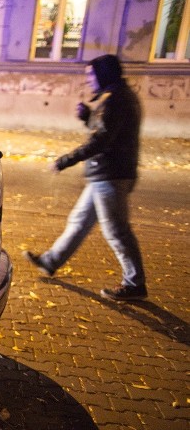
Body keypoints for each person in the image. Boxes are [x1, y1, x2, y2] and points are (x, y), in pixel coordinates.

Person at [24, 54, 147, 301]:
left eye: (92, 75)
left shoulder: (115, 100)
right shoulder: (120, 96)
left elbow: (101, 140)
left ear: (103, 75)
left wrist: (65, 160)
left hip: (110, 175)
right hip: (108, 174)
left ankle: (134, 284)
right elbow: (108, 130)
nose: (89, 80)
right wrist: (89, 117)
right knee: (79, 221)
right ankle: (51, 260)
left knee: (116, 231)